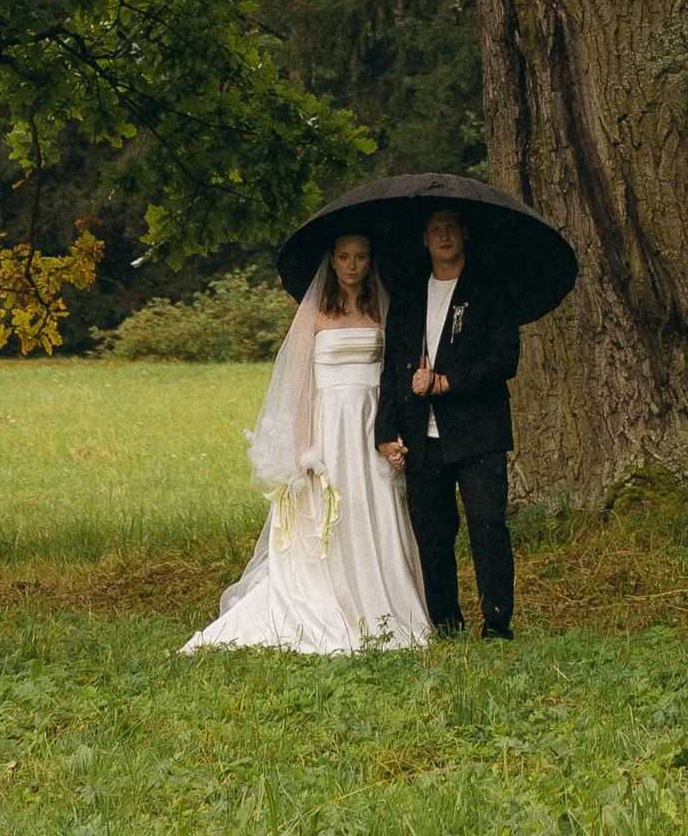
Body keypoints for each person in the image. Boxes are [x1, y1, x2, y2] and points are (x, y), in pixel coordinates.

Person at [182, 229, 430, 654]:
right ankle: (330, 600)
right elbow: (298, 385)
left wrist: (392, 431)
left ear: (370, 261)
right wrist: (303, 448)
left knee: (373, 507)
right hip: (329, 425)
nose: (352, 265)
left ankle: (380, 599)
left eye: (361, 257)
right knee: (333, 512)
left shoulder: (381, 309)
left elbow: (393, 374)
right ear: (332, 260)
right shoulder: (314, 313)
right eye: (344, 256)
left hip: (370, 423)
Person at [376, 204, 521, 640]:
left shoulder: (490, 288)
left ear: (464, 234)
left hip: (479, 433)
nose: (443, 236)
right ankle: (445, 622)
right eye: (435, 229)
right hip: (423, 437)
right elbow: (391, 369)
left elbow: (505, 360)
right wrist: (386, 431)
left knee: (487, 526)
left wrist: (446, 382)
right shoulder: (408, 296)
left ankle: (496, 622)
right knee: (433, 534)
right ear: (425, 238)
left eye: (450, 228)